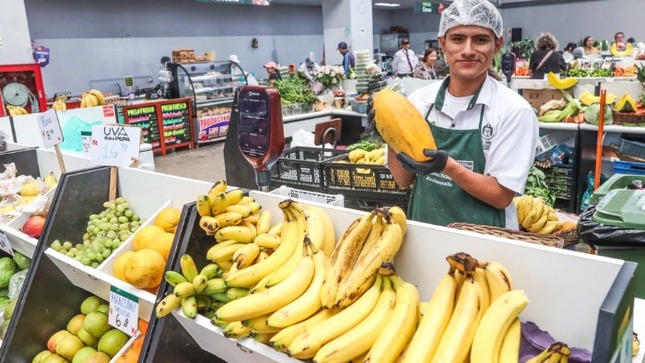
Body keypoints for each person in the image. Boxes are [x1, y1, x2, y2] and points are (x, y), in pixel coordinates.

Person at [383, 0, 538, 229]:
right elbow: (403, 179)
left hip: (486, 246)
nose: (467, 50)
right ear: (443, 44)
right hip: (425, 234)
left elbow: (500, 196)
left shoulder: (514, 111)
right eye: (457, 39)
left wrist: (447, 166)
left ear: (497, 46)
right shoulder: (419, 102)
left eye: (480, 39)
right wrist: (388, 131)